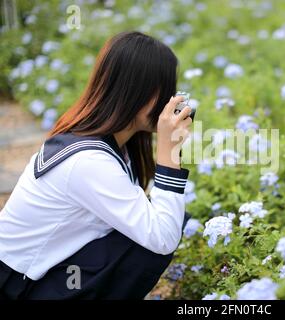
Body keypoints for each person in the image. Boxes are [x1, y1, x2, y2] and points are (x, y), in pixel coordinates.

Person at [0, 31, 193, 299]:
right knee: (145, 247)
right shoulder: (89, 162)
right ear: (137, 91)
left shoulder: (106, 141)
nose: (171, 102)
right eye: (166, 90)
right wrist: (169, 154)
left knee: (151, 229)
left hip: (35, 274)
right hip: (16, 286)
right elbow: (162, 238)